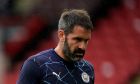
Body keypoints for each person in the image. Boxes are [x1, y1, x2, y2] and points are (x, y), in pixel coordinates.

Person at [17, 9, 95, 84]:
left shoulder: (88, 69)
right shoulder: (35, 65)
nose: (82, 47)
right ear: (61, 35)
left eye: (86, 41)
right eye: (77, 39)